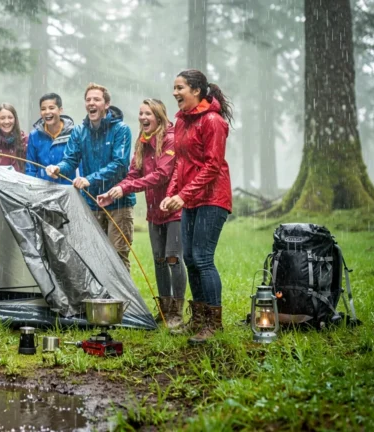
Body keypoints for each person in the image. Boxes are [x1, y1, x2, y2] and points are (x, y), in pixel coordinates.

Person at [97, 99, 186, 329]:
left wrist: (126, 188)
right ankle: (165, 311)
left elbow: (161, 174)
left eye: (148, 114)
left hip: (174, 208)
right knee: (159, 260)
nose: (143, 118)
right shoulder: (142, 142)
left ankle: (177, 312)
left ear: (159, 116)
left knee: (173, 259)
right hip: (154, 210)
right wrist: (113, 192)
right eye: (140, 113)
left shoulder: (170, 138)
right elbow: (133, 174)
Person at [160, 69, 233, 345]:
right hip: (191, 199)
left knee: (202, 258)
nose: (175, 93)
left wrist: (184, 194)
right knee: (189, 258)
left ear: (197, 91)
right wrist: (172, 194)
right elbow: (180, 164)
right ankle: (199, 319)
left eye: (180, 88)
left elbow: (213, 166)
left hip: (213, 198)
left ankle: (214, 325)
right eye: (174, 88)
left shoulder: (212, 121)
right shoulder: (180, 122)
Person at [45, 83, 135, 271]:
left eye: (96, 99)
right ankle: (101, 300)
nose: (91, 103)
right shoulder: (79, 131)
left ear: (107, 104)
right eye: (88, 100)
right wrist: (57, 168)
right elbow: (70, 160)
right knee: (95, 256)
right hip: (91, 203)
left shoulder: (121, 130)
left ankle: (124, 301)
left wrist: (90, 179)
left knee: (117, 256)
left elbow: (120, 165)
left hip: (119, 203)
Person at [25, 93, 75, 184]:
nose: (47, 112)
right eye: (43, 109)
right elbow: (30, 169)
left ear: (60, 110)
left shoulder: (73, 134)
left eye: (51, 108)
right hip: (43, 190)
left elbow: (80, 166)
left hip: (68, 189)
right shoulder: (34, 136)